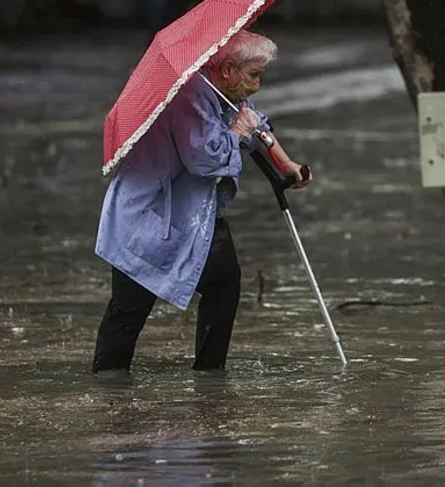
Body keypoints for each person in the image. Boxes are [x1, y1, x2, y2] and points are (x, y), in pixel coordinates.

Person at [92, 30, 313, 374]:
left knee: (224, 281)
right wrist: (237, 132)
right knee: (130, 307)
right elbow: (204, 159)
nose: (257, 85)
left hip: (192, 212)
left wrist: (288, 165)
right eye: (254, 75)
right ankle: (110, 390)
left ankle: (210, 378)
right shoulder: (188, 97)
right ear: (228, 69)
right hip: (148, 216)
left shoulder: (223, 93)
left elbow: (259, 127)